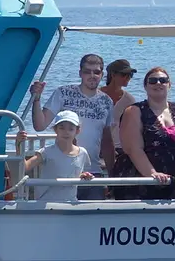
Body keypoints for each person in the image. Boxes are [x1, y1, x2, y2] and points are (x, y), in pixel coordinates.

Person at [107, 67, 175, 200]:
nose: (158, 83)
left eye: (163, 80)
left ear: (169, 85)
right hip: (142, 185)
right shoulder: (134, 111)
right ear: (145, 86)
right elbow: (133, 149)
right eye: (153, 81)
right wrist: (152, 174)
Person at [28, 53, 116, 181]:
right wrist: (36, 99)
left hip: (93, 171)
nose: (92, 76)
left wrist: (112, 174)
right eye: (87, 72)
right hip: (63, 169)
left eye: (96, 72)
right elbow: (40, 126)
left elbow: (107, 141)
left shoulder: (107, 101)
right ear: (80, 73)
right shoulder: (63, 93)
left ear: (102, 75)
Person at [24, 110, 96, 202]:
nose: (66, 132)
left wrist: (84, 176)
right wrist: (19, 145)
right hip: (45, 203)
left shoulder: (83, 153)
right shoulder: (46, 152)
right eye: (62, 128)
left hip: (71, 203)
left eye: (71, 129)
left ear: (77, 131)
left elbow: (77, 173)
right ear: (55, 129)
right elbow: (25, 167)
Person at [101, 58, 137, 171]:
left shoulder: (129, 100)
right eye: (124, 74)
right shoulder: (97, 96)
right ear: (113, 74)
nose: (128, 78)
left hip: (120, 149)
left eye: (130, 75)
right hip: (97, 146)